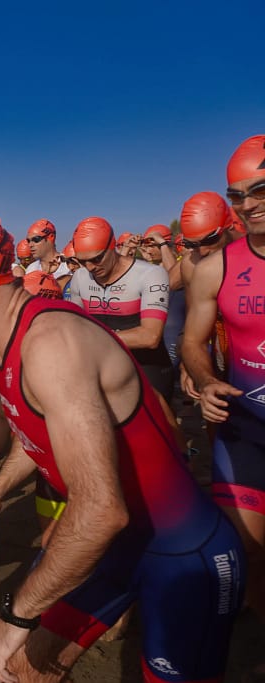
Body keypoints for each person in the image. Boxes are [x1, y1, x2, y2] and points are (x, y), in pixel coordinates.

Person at [0, 207, 244, 682]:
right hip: (114, 548)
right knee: (22, 671)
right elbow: (41, 432)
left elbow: (102, 509)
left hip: (182, 556)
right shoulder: (8, 338)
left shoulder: (51, 344)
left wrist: (17, 616)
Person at [181, 134, 265, 626]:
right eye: (237, 196)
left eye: (259, 191)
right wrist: (206, 379)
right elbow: (192, 342)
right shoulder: (216, 267)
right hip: (245, 429)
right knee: (246, 548)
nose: (247, 205)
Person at [67, 217, 175, 403]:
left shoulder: (150, 274)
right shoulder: (79, 276)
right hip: (104, 364)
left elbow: (150, 337)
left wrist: (91, 338)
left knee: (160, 426)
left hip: (147, 365)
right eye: (83, 262)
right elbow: (75, 327)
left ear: (113, 247)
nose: (90, 267)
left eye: (97, 258)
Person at [23, 219, 71, 285]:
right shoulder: (31, 269)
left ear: (51, 237)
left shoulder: (69, 266)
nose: (30, 245)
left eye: (36, 239)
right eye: (28, 241)